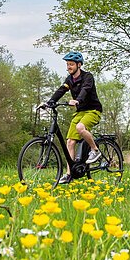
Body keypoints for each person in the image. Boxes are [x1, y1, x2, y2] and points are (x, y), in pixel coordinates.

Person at [44, 51, 104, 183]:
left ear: (79, 64)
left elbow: (85, 90)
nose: (68, 67)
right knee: (70, 142)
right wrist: (48, 102)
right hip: (80, 112)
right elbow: (61, 90)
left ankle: (95, 150)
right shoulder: (69, 80)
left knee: (80, 127)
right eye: (67, 64)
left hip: (93, 110)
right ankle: (69, 174)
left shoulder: (88, 77)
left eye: (71, 64)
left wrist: (77, 100)